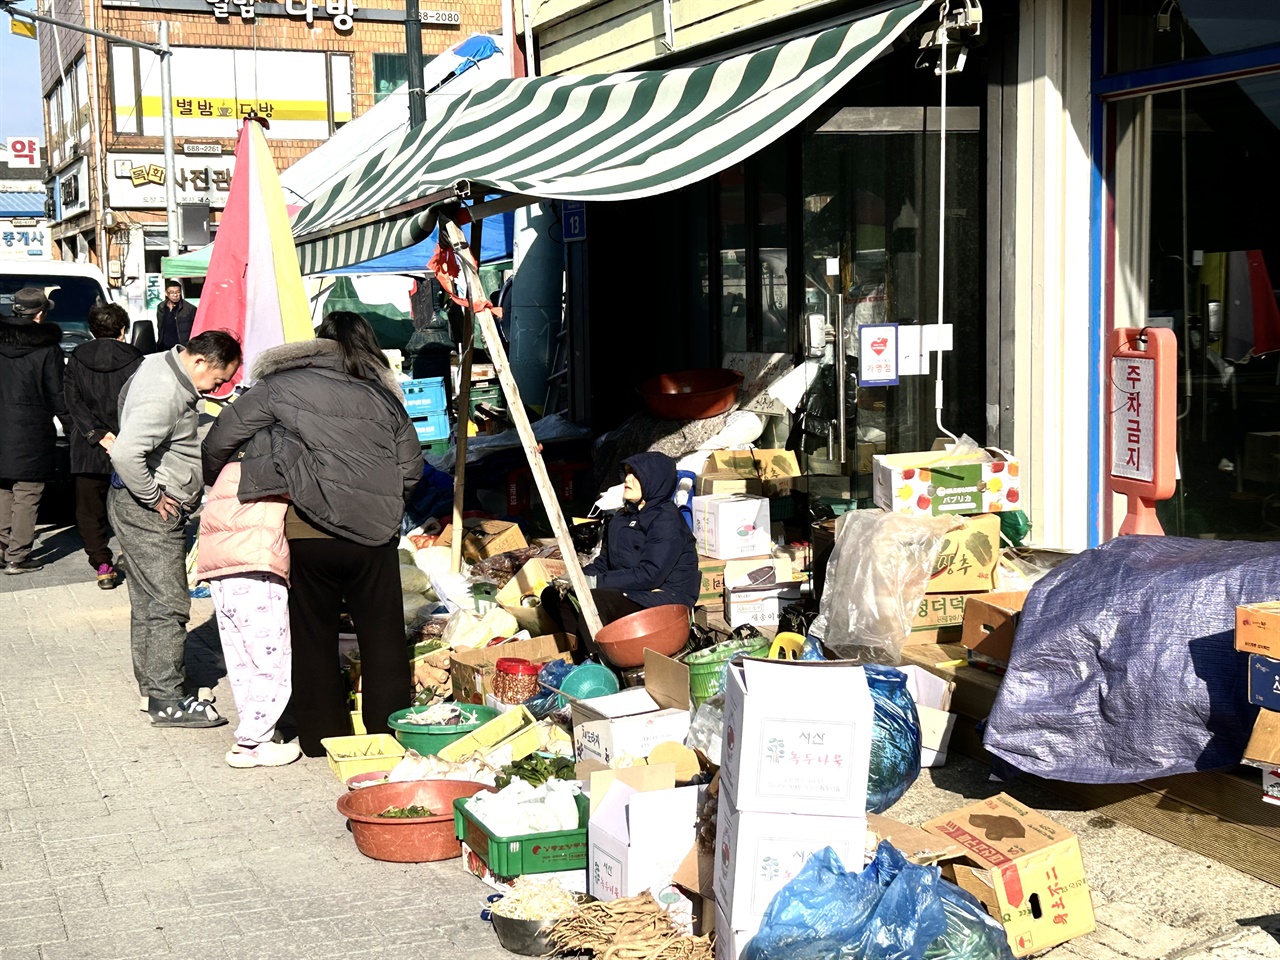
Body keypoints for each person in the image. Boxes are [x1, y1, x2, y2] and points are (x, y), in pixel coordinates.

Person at [202, 311, 422, 757]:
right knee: (383, 638)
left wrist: (223, 478)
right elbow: (412, 468)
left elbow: (219, 440)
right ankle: (390, 737)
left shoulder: (277, 386)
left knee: (310, 635)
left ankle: (323, 739)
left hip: (305, 530)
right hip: (374, 536)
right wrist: (383, 501)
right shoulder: (383, 396)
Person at [110, 330, 241, 728]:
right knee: (168, 605)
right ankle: (167, 700)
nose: (218, 387)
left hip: (137, 505)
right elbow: (125, 452)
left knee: (151, 603)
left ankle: (154, 688)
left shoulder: (155, 364)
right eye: (219, 379)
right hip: (149, 510)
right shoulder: (165, 391)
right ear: (200, 361)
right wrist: (153, 496)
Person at [541, 452, 700, 658]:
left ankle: (596, 664)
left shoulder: (666, 521)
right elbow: (603, 562)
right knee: (554, 596)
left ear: (654, 481)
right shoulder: (621, 518)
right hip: (630, 589)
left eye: (636, 475)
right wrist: (576, 579)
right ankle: (574, 653)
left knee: (596, 600)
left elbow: (651, 574)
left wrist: (595, 582)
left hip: (662, 596)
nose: (627, 479)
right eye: (627, 473)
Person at [197, 452, 300, 768]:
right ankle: (254, 743)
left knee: (242, 661)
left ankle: (253, 734)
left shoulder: (230, 467)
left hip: (218, 572)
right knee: (272, 661)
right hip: (254, 570)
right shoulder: (276, 465)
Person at [63, 302, 144, 589]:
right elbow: (142, 401)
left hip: (88, 446)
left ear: (92, 330)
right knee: (134, 505)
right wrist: (122, 435)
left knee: (89, 509)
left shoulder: (77, 358)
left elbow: (72, 401)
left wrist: (96, 433)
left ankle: (102, 563)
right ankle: (133, 558)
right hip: (129, 443)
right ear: (123, 329)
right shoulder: (136, 358)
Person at [0, 287, 70, 575]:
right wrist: (71, 424)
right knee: (27, 492)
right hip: (32, 429)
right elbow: (57, 394)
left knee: (3, 490)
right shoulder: (47, 349)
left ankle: (3, 548)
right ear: (40, 313)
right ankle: (17, 556)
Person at [156, 279, 196, 351]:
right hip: (164, 347)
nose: (175, 295)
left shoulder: (189, 309)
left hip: (182, 348)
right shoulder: (161, 307)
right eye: (171, 292)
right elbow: (160, 327)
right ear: (166, 293)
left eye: (178, 292)